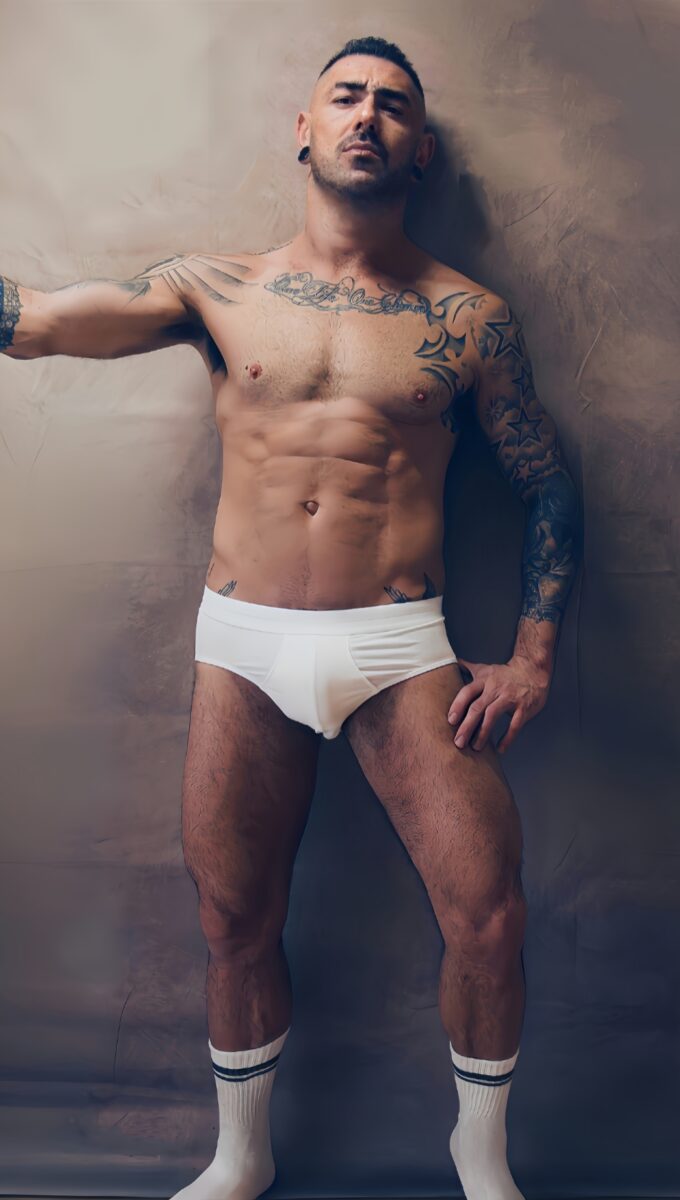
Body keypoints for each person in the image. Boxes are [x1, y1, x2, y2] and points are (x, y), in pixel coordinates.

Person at [1, 33, 582, 1200]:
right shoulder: (214, 288)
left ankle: (480, 1164)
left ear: (419, 149)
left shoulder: (468, 318)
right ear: (303, 130)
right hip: (245, 645)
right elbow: (44, 321)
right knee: (232, 919)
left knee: (487, 918)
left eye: (392, 104)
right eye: (346, 97)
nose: (368, 115)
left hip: (396, 648)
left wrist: (530, 658)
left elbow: (547, 483)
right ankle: (241, 1159)